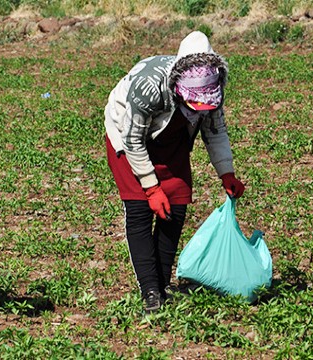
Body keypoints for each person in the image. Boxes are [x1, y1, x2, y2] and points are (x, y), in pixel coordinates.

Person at [104, 31, 245, 314]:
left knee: (176, 207)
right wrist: (151, 188)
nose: (200, 108)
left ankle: (163, 282)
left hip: (172, 138)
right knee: (140, 210)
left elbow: (215, 131)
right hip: (128, 135)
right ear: (179, 88)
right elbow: (132, 139)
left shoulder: (213, 84)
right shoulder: (148, 87)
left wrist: (226, 172)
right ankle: (150, 291)